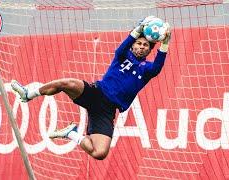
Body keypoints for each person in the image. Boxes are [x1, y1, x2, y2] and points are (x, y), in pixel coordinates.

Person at [11, 16, 171, 160]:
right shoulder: (123, 55)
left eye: (145, 45)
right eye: (139, 43)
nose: (141, 47)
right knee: (65, 84)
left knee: (99, 153)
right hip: (96, 92)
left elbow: (158, 65)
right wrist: (138, 30)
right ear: (133, 46)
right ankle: (28, 93)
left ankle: (71, 133)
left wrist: (165, 42)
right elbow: (122, 48)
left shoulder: (147, 69)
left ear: (150, 50)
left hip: (106, 110)